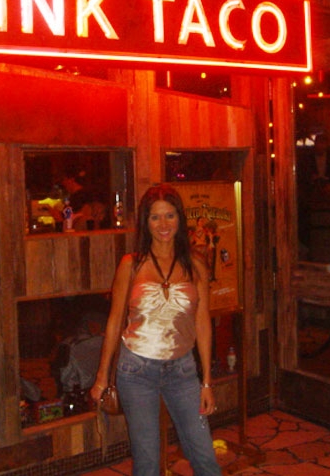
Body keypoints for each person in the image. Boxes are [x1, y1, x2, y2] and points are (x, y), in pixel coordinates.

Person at [90, 184, 221, 476]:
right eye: (155, 217)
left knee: (204, 456)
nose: (163, 224)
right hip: (136, 370)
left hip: (183, 370)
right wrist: (101, 376)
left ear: (180, 219)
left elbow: (202, 322)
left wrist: (207, 382)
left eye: (170, 215)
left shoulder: (197, 265)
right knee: (147, 461)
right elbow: (114, 322)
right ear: (146, 222)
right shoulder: (131, 265)